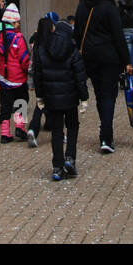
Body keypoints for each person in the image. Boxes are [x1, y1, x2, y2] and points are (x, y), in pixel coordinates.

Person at [73, 0, 131, 154]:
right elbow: (118, 36)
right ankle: (106, 135)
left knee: (99, 94)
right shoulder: (109, 7)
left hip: (89, 57)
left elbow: (76, 35)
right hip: (109, 57)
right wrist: (126, 60)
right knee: (108, 95)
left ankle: (105, 132)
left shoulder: (81, 8)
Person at [33, 14, 88, 181]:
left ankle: (57, 166)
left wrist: (40, 96)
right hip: (70, 97)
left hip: (52, 98)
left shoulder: (43, 50)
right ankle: (70, 157)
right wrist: (84, 98)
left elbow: (38, 75)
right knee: (72, 126)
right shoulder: (72, 51)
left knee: (56, 131)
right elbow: (80, 76)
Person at [0, 3, 31, 143]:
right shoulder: (18, 38)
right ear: (12, 22)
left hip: (4, 77)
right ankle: (20, 127)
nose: (18, 24)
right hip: (19, 77)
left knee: (5, 104)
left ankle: (4, 133)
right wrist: (27, 70)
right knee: (22, 100)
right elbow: (24, 59)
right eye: (17, 22)